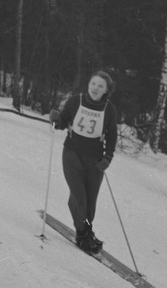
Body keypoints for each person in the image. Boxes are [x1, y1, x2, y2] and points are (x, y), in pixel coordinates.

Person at [49, 71, 118, 254]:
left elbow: (112, 136)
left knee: (90, 200)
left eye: (100, 86)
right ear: (89, 84)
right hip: (72, 154)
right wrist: (56, 119)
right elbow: (63, 122)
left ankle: (87, 229)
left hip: (95, 160)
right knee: (80, 197)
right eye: (93, 84)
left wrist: (107, 158)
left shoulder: (108, 109)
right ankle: (82, 234)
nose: (95, 88)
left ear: (106, 90)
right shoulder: (76, 101)